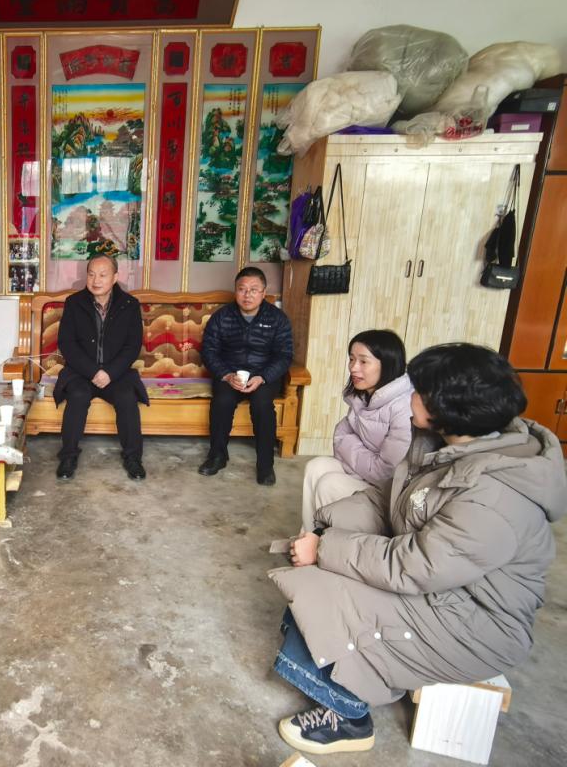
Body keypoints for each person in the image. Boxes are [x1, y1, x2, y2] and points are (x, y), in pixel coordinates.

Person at [269, 343, 565, 755]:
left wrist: (325, 550)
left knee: (319, 591)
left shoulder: (495, 495)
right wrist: (324, 527)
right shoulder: (441, 443)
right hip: (443, 591)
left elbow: (416, 565)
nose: (408, 396)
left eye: (418, 389)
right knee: (312, 586)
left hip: (476, 621)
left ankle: (349, 715)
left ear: (447, 406)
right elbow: (386, 500)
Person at [300, 329, 412, 532]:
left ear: (387, 363)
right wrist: (361, 452)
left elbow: (387, 471)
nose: (353, 367)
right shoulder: (362, 395)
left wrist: (351, 446)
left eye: (363, 361)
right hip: (366, 473)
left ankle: (326, 543)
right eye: (351, 359)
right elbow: (340, 435)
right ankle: (308, 535)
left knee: (329, 483)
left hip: (389, 492)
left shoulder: (403, 407)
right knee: (316, 466)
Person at [53, 253, 148, 480]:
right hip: (81, 372)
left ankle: (133, 458)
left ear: (115, 277)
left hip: (117, 373)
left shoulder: (129, 305)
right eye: (91, 274)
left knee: (126, 397)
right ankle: (68, 456)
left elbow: (132, 346)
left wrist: (110, 372)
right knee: (77, 395)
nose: (96, 280)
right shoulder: (74, 303)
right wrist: (93, 371)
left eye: (103, 275)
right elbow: (67, 343)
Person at [199, 266, 293, 485]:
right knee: (222, 401)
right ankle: (217, 456)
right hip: (231, 374)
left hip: (263, 375)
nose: (247, 295)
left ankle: (265, 465)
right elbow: (209, 351)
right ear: (235, 291)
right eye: (242, 289)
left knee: (262, 405)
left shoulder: (277, 318)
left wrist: (263, 377)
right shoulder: (222, 316)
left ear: (263, 292)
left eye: (254, 289)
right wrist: (226, 375)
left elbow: (284, 355)